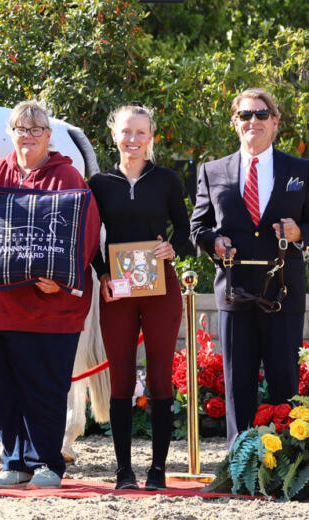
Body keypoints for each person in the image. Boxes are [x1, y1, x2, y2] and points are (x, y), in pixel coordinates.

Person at [0, 99, 102, 490]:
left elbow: (85, 232)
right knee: (3, 388)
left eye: (36, 130)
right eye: (21, 128)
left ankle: (48, 464)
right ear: (10, 133)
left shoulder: (67, 177)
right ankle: (14, 462)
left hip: (48, 308)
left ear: (49, 136)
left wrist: (64, 279)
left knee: (45, 388)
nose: (28, 136)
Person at [190, 88, 309, 445]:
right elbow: (198, 227)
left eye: (262, 114)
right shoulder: (211, 170)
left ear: (276, 121)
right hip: (235, 292)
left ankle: (287, 459)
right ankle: (240, 459)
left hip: (283, 292)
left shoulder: (300, 169)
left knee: (284, 381)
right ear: (235, 122)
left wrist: (300, 232)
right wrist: (212, 243)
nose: (254, 121)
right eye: (246, 115)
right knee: (238, 385)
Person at [89, 103, 193, 490]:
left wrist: (172, 249)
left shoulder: (166, 180)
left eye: (141, 133)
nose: (133, 140)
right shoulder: (98, 183)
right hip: (116, 290)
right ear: (113, 135)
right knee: (120, 379)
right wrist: (101, 273)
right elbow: (89, 241)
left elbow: (184, 232)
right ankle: (123, 471)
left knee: (161, 378)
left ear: (151, 137)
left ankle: (158, 470)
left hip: (159, 288)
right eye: (126, 132)